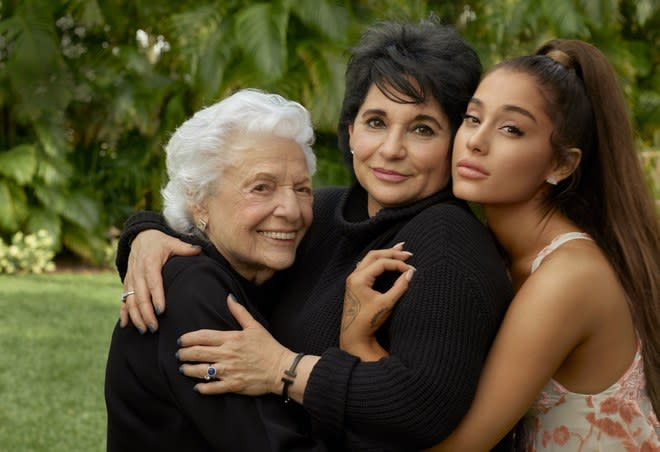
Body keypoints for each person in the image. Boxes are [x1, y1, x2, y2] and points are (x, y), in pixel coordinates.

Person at [113, 20, 515, 450]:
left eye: (422, 129)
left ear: (455, 140)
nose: (392, 148)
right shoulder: (322, 212)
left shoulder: (446, 240)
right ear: (350, 130)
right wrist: (145, 233)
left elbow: (423, 407)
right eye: (376, 121)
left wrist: (282, 368)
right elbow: (230, 226)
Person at [341, 39, 660, 451]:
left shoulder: (569, 278)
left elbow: (454, 447)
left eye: (511, 129)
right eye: (473, 119)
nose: (475, 141)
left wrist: (356, 344)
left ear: (562, 164)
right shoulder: (497, 253)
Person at [104, 89, 326, 451]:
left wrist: (142, 230)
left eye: (302, 189)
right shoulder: (191, 294)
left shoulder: (258, 271)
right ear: (198, 199)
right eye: (261, 187)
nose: (291, 209)